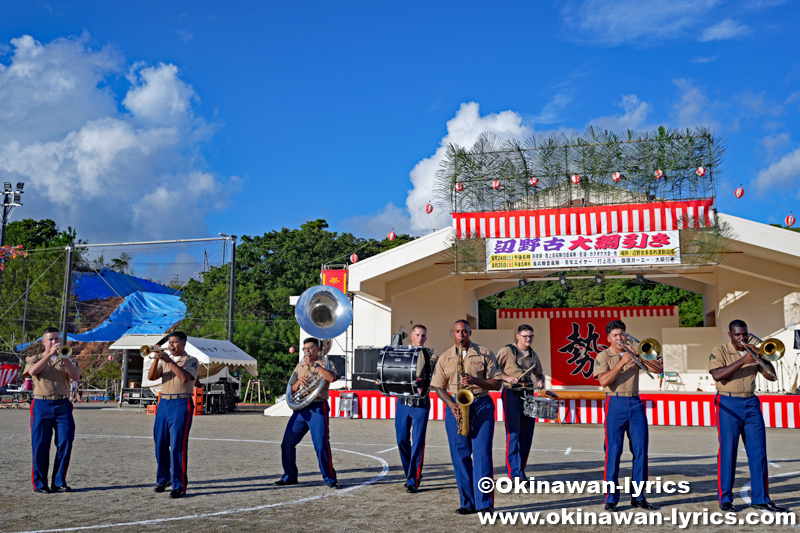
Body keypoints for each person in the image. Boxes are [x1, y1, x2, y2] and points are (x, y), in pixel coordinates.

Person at [709, 319, 788, 513]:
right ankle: (725, 499)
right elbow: (718, 375)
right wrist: (743, 360)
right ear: (730, 334)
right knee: (728, 452)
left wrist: (762, 357)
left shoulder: (754, 351)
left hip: (751, 402)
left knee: (758, 452)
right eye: (737, 335)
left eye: (744, 334)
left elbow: (772, 376)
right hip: (728, 403)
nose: (742, 338)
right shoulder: (719, 351)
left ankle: (760, 498)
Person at [431, 320, 502, 515]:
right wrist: (451, 404)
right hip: (456, 406)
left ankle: (485, 503)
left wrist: (475, 380)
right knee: (460, 456)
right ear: (452, 333)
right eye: (457, 331)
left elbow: (497, 384)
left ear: (470, 333)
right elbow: (438, 386)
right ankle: (468, 503)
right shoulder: (444, 357)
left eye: (465, 331)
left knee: (482, 456)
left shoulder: (485, 353)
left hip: (481, 404)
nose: (461, 335)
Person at [594, 319, 662, 512]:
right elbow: (603, 381)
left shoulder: (634, 352)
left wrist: (642, 356)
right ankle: (611, 498)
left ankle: (639, 497)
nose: (620, 338)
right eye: (615, 335)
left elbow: (658, 370)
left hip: (635, 402)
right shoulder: (603, 355)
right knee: (613, 452)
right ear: (608, 338)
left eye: (622, 334)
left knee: (641, 451)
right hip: (615, 402)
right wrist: (622, 362)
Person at [23, 327, 81, 493]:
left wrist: (66, 358)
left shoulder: (68, 358)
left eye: (57, 339)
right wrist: (49, 355)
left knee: (66, 441)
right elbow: (32, 372)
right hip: (41, 404)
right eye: (51, 339)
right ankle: (40, 483)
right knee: (40, 444)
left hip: (62, 405)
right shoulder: (35, 358)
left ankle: (59, 481)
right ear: (43, 342)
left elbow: (76, 377)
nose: (55, 342)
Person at [276, 337, 339, 488]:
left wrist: (315, 366)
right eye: (305, 349)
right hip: (301, 409)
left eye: (310, 348)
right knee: (287, 443)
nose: (307, 351)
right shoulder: (299, 366)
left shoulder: (326, 363)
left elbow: (331, 378)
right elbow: (291, 388)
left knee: (321, 445)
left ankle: (330, 479)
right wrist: (298, 383)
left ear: (317, 349)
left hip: (318, 407)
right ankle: (290, 476)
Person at [147, 331, 199, 499]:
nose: (171, 345)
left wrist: (169, 361)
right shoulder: (163, 360)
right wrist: (155, 358)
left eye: (175, 342)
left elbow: (185, 378)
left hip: (181, 402)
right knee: (159, 443)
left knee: (178, 445)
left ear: (183, 344)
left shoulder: (191, 360)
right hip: (163, 403)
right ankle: (163, 478)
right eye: (169, 342)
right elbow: (151, 377)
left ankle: (179, 485)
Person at [496, 324, 545, 483]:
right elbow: (493, 370)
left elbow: (539, 373)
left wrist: (539, 380)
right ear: (518, 336)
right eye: (525, 336)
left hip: (529, 395)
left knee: (527, 435)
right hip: (511, 393)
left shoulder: (533, 355)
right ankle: (514, 474)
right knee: (513, 434)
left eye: (531, 336)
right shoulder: (506, 352)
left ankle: (521, 471)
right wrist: (507, 377)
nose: (528, 339)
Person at [394, 324, 437, 493]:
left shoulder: (432, 357)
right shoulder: (400, 353)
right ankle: (410, 473)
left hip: (421, 404)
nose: (420, 338)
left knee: (418, 443)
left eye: (423, 335)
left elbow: (432, 379)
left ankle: (413, 480)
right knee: (401, 440)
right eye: (417, 335)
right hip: (403, 403)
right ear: (411, 336)